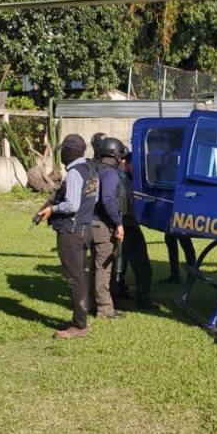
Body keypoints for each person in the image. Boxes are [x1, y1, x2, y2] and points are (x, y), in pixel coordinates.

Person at [35, 134, 100, 339]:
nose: (62, 154)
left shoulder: (73, 173)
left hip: (71, 232)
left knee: (75, 278)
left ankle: (79, 325)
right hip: (85, 229)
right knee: (81, 276)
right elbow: (93, 198)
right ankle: (79, 319)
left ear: (70, 152)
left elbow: (72, 205)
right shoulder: (91, 170)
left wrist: (52, 210)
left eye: (64, 150)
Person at [89, 137, 126, 319]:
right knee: (103, 268)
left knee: (94, 266)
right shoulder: (110, 173)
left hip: (88, 223)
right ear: (116, 155)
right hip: (103, 225)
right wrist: (118, 223)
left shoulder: (93, 168)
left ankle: (89, 303)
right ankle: (104, 309)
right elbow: (108, 199)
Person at [119, 150, 155, 308]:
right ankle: (116, 297)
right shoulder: (119, 179)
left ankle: (143, 297)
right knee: (119, 267)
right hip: (121, 226)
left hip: (132, 226)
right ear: (126, 164)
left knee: (144, 267)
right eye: (136, 164)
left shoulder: (139, 180)